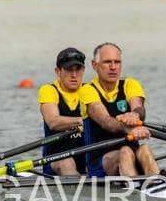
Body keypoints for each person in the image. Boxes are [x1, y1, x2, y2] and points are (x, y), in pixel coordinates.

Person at [79, 42, 159, 177]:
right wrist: (128, 129)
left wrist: (134, 115)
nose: (113, 67)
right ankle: (135, 187)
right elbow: (106, 121)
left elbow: (139, 108)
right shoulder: (87, 90)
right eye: (107, 62)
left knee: (144, 149)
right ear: (94, 65)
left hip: (132, 152)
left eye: (117, 62)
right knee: (125, 151)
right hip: (99, 161)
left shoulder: (130, 84)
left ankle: (157, 183)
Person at [38, 47, 87, 175]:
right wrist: (83, 121)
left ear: (83, 70)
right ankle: (81, 186)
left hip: (87, 157)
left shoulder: (90, 90)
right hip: (56, 159)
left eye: (78, 69)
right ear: (58, 71)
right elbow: (53, 122)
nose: (74, 75)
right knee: (67, 162)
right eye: (69, 69)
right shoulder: (49, 90)